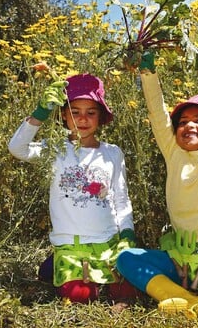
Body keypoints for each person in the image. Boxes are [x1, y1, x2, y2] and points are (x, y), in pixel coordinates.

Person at [116, 39, 198, 311]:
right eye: (183, 121)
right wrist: (148, 72)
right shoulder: (174, 153)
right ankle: (185, 299)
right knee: (126, 258)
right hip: (177, 257)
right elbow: (157, 113)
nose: (189, 125)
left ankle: (178, 291)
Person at [8, 74, 139, 304]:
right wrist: (40, 113)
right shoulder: (56, 150)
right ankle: (59, 268)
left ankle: (60, 271)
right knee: (80, 296)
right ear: (63, 115)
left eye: (91, 112)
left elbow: (121, 198)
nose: (83, 119)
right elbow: (17, 148)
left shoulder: (112, 153)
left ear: (101, 117)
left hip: (108, 242)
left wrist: (126, 234)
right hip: (71, 243)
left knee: (127, 291)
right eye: (75, 111)